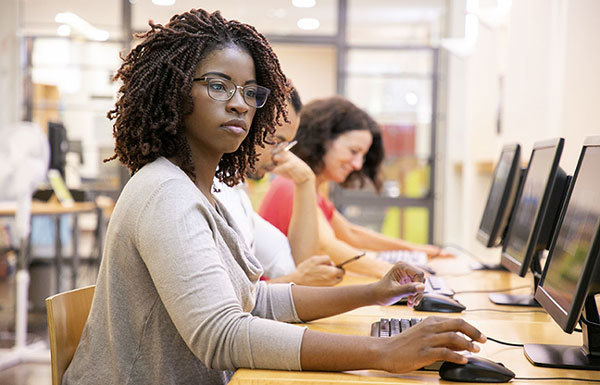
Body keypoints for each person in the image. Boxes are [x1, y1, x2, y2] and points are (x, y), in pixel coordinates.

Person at [63, 9, 485, 385]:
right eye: (218, 86)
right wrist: (382, 352)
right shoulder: (165, 194)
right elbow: (222, 334)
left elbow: (254, 299)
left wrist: (374, 292)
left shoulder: (204, 192)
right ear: (174, 91)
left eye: (250, 92)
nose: (240, 105)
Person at [259, 96, 452, 278]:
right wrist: (394, 272)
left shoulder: (312, 189)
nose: (358, 164)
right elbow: (326, 246)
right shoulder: (291, 185)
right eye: (353, 151)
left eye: (362, 156)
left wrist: (416, 250)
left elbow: (351, 234)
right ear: (322, 140)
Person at [214, 88, 343, 286]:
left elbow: (296, 266)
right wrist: (296, 279)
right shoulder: (208, 190)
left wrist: (305, 181)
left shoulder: (235, 192)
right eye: (276, 141)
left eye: (285, 146)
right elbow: (219, 300)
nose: (279, 156)